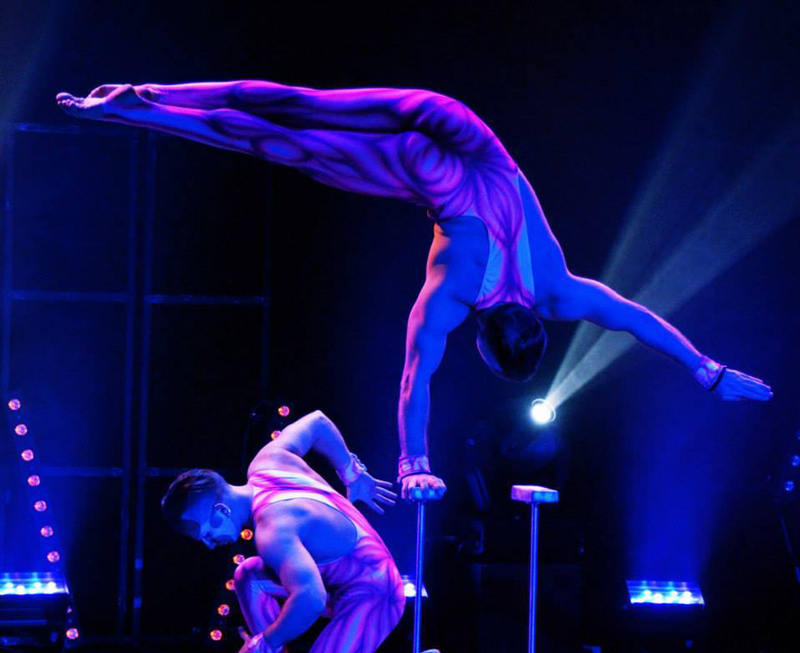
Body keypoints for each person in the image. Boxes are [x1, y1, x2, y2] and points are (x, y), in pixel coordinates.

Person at [57, 81, 773, 501]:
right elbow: (412, 381)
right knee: (284, 143)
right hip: (425, 169)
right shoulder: (453, 297)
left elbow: (638, 319)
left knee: (297, 103)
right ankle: (145, 112)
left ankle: (154, 93)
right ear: (485, 347)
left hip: (458, 125)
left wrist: (708, 370)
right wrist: (413, 464)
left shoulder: (558, 290)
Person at [160, 410, 443, 653]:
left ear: (220, 511)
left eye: (206, 534)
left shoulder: (272, 529)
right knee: (248, 576)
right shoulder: (267, 462)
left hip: (375, 594)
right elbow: (318, 422)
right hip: (341, 584)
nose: (208, 544)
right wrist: (351, 473)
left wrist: (261, 646)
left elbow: (310, 599)